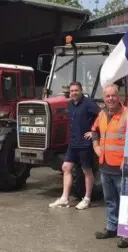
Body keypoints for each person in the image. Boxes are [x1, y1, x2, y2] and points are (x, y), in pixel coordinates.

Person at [91, 84, 128, 249]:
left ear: (119, 97)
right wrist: (96, 147)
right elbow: (94, 131)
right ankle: (111, 228)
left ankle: (126, 234)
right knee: (110, 201)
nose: (110, 99)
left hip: (122, 168)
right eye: (107, 96)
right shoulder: (101, 114)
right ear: (104, 98)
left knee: (125, 202)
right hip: (105, 166)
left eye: (113, 95)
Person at [49, 81, 100, 210]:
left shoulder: (89, 104)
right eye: (72, 91)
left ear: (81, 90)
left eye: (76, 90)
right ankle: (65, 198)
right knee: (66, 167)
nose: (74, 93)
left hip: (84, 144)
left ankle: (87, 199)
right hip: (73, 143)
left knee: (87, 171)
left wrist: (94, 131)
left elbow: (102, 116)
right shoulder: (70, 105)